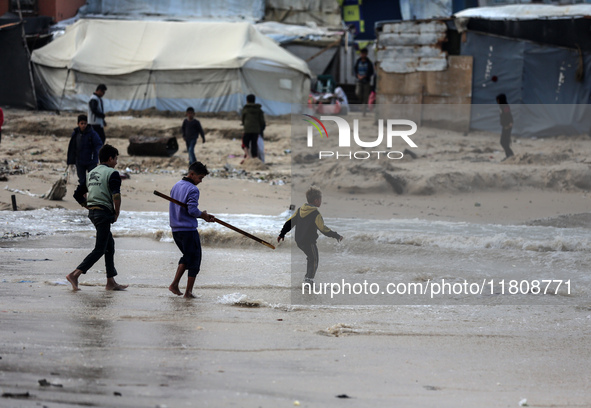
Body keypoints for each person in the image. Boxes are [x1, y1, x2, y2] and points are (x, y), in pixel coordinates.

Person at [66, 144, 127, 292]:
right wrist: (117, 213)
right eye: (116, 158)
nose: (117, 162)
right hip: (104, 214)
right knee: (100, 249)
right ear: (111, 158)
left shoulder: (92, 173)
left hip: (93, 213)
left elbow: (77, 194)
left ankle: (110, 282)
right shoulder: (112, 173)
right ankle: (75, 274)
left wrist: (88, 206)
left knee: (109, 246)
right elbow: (116, 195)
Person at [168, 161, 215, 298]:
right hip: (188, 230)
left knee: (188, 257)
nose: (200, 181)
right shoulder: (193, 189)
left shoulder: (176, 186)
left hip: (176, 229)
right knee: (195, 260)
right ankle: (187, 292)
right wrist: (203, 215)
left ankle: (176, 285)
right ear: (192, 174)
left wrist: (203, 216)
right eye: (200, 178)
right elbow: (192, 210)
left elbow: (185, 209)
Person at [277, 187, 343, 284]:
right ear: (316, 200)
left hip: (299, 240)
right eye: (320, 199)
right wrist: (336, 235)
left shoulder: (300, 210)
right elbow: (323, 229)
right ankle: (309, 280)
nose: (321, 201)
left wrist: (282, 233)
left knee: (311, 258)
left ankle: (307, 279)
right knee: (314, 259)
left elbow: (290, 222)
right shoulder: (315, 213)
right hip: (309, 241)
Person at [67, 114, 103, 186]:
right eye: (82, 123)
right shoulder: (76, 133)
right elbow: (72, 147)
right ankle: (84, 196)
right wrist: (70, 160)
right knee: (82, 180)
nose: (83, 125)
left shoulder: (92, 133)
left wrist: (98, 154)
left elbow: (99, 144)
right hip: (79, 161)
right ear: (78, 124)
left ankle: (92, 195)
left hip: (91, 161)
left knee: (92, 180)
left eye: (85, 123)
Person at [241, 94, 265, 159]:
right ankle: (255, 158)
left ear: (247, 101)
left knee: (245, 143)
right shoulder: (259, 110)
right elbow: (262, 121)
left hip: (247, 129)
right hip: (256, 130)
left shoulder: (245, 109)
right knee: (254, 144)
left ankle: (247, 156)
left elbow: (243, 120)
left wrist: (244, 125)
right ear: (254, 100)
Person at [354, 48, 374, 115]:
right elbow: (355, 70)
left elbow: (371, 72)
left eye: (364, 53)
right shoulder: (358, 61)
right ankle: (362, 103)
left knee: (366, 96)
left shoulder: (369, 62)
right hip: (359, 80)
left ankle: (364, 111)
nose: (362, 55)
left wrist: (365, 76)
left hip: (366, 81)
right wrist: (358, 75)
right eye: (361, 53)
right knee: (358, 93)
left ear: (366, 54)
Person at [496, 93, 514, 160]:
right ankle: (508, 155)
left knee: (504, 142)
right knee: (504, 142)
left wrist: (510, 123)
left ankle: (510, 155)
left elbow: (508, 115)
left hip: (507, 126)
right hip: (504, 126)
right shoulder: (501, 106)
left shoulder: (505, 106)